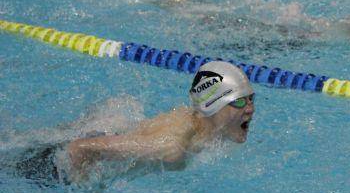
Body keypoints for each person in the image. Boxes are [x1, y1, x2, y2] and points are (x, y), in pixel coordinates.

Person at [14, 61, 255, 185]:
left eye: (251, 99)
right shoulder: (173, 147)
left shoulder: (199, 124)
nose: (250, 109)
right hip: (50, 170)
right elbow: (80, 149)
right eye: (239, 102)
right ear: (212, 106)